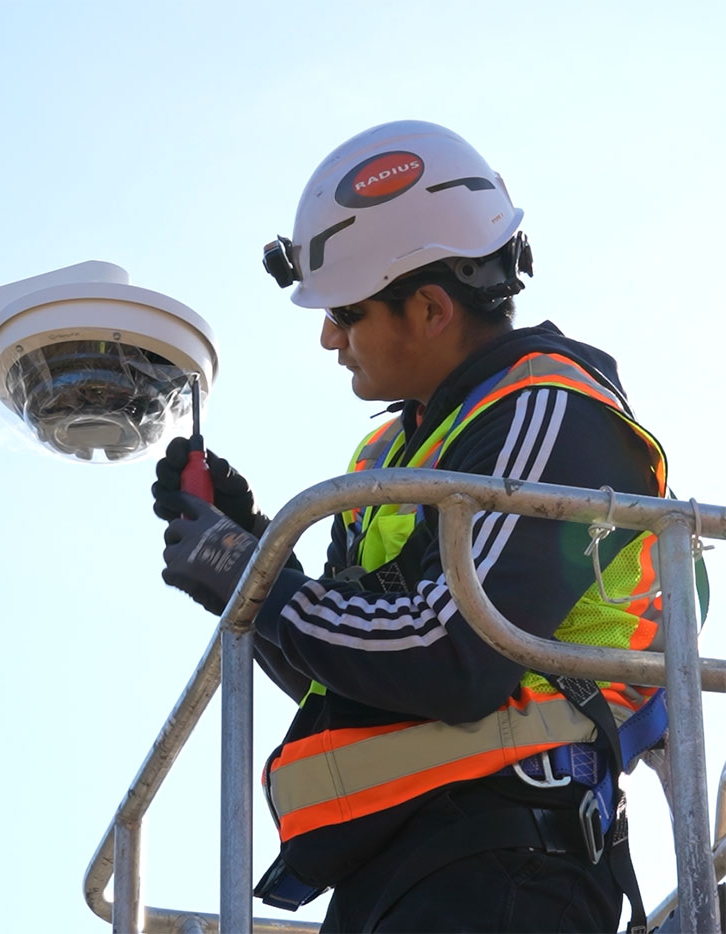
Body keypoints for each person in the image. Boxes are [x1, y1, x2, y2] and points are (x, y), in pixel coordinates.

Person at [152, 121, 691, 933]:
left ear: (432, 307)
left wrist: (257, 577)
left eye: (347, 312)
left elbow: (457, 656)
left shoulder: (551, 408)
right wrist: (251, 554)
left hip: (512, 854)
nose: (330, 338)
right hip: (399, 869)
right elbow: (349, 672)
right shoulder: (383, 457)